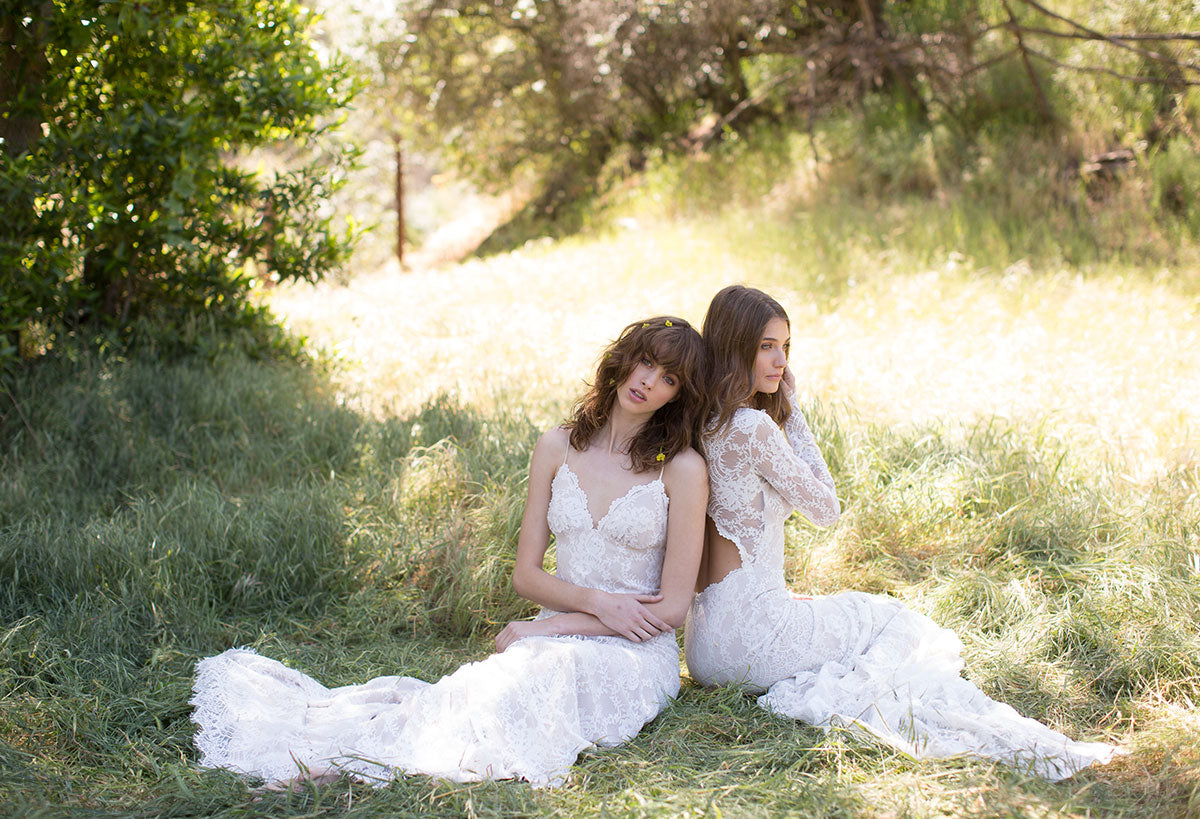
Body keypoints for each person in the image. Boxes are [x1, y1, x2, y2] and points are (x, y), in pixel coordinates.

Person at [191, 317, 708, 788]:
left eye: (668, 378)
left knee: (543, 673)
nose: (647, 380)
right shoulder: (557, 445)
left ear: (676, 397)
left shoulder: (681, 469)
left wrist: (549, 626)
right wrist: (588, 604)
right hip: (560, 627)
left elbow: (670, 610)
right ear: (622, 359)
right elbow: (526, 576)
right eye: (645, 361)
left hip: (634, 652)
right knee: (499, 686)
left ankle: (365, 769)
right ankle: (354, 759)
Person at [684, 285, 1117, 780]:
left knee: (848, 612)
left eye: (786, 346)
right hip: (749, 643)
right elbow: (826, 508)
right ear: (733, 344)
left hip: (705, 642)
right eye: (766, 346)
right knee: (892, 620)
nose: (781, 361)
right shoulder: (751, 428)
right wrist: (793, 409)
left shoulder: (702, 421)